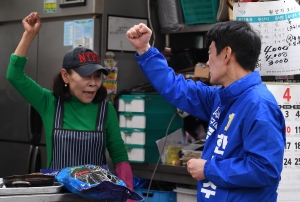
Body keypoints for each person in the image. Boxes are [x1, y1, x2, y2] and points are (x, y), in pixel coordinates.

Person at [126, 21, 286, 201]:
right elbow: (175, 87)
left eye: (210, 53)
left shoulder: (259, 105)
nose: (207, 62)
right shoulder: (221, 97)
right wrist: (145, 51)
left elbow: (264, 170)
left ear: (226, 54)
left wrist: (208, 169)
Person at [6, 12, 135, 202]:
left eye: (97, 76)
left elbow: (119, 156)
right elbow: (14, 75)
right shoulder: (50, 103)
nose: (93, 83)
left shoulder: (105, 110)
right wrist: (29, 34)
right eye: (85, 76)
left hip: (96, 198)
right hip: (57, 197)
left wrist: (128, 196)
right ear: (66, 76)